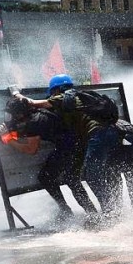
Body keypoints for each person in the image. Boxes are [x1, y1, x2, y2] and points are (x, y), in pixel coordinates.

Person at [15, 74, 122, 221]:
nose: (52, 95)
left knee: (92, 176)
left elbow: (32, 103)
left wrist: (15, 92)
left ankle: (109, 214)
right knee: (94, 174)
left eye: (52, 92)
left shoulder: (63, 98)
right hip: (109, 133)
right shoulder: (80, 96)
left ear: (57, 89)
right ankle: (107, 211)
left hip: (96, 136)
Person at [0, 97, 97, 221]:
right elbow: (29, 133)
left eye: (11, 115)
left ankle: (83, 214)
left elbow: (31, 149)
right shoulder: (39, 113)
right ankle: (79, 212)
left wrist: (8, 139)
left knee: (66, 179)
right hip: (73, 143)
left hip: (70, 147)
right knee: (52, 177)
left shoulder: (33, 123)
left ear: (20, 114)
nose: (9, 118)